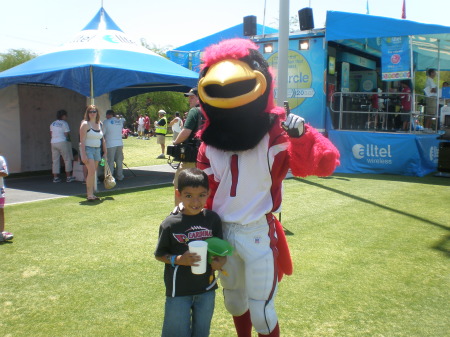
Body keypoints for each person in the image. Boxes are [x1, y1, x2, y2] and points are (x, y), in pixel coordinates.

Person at [154, 168, 226, 337]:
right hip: (179, 290)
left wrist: (220, 261)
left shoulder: (213, 219)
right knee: (176, 333)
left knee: (202, 332)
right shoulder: (170, 224)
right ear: (179, 194)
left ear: (208, 193)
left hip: (207, 289)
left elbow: (221, 250)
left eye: (201, 195)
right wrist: (179, 259)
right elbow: (159, 254)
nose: (195, 201)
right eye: (189, 196)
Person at [172, 88, 203, 205]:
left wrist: (175, 142)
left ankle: (180, 214)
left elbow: (186, 132)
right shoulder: (212, 111)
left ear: (199, 97)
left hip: (191, 156)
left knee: (180, 185)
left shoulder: (194, 111)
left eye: (192, 97)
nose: (189, 100)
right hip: (207, 157)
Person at [79, 105, 107, 201]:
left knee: (93, 172)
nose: (92, 113)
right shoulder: (85, 124)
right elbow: (82, 140)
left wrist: (105, 152)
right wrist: (83, 154)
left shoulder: (100, 124)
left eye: (94, 111)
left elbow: (102, 138)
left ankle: (91, 193)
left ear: (97, 113)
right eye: (90, 111)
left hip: (97, 150)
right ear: (87, 113)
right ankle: (89, 194)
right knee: (91, 172)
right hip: (88, 149)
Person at [50, 109, 76, 183]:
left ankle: (55, 177)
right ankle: (68, 177)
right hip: (62, 142)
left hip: (53, 142)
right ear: (63, 116)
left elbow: (51, 133)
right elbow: (66, 134)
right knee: (67, 159)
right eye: (65, 115)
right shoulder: (64, 123)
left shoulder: (53, 123)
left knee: (55, 160)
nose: (66, 117)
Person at [102, 109, 125, 181]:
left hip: (110, 144)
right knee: (119, 161)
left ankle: (110, 177)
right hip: (119, 143)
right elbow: (124, 119)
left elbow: (102, 133)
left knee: (110, 161)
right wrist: (118, 116)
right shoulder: (120, 121)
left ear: (108, 115)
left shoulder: (106, 122)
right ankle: (120, 176)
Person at [0, 153, 13, 242]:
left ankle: (1, 233)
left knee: (1, 211)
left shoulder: (0, 159)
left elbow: (5, 173)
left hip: (0, 190)